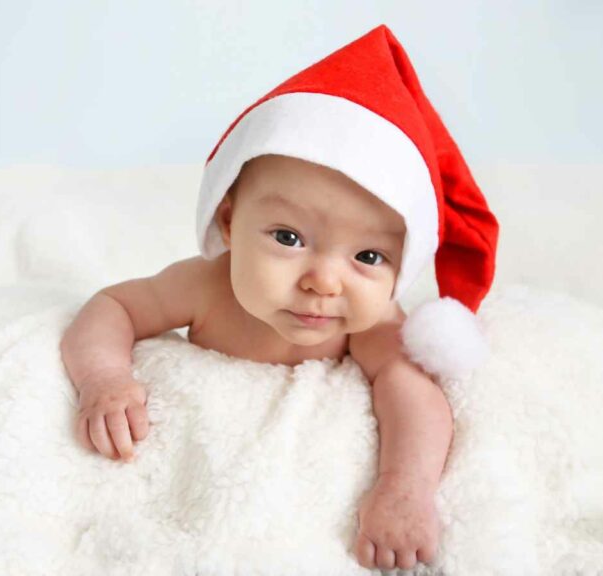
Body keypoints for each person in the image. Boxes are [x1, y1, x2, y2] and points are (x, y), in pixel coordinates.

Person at [60, 24, 498, 572]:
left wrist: (404, 487)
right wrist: (103, 379)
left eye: (368, 256)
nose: (324, 283)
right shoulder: (207, 286)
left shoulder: (371, 325)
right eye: (288, 238)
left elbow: (414, 397)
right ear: (229, 221)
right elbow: (114, 306)